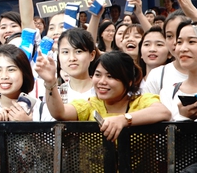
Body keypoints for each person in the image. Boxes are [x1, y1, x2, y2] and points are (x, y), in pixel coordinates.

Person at [35, 50, 171, 142]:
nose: (102, 81)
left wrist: (124, 120)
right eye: (98, 74)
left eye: (110, 76)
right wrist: (50, 82)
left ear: (129, 81)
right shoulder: (90, 105)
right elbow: (60, 112)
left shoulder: (141, 101)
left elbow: (163, 112)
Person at [160, 20, 197, 121]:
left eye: (192, 42)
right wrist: (183, 118)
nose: (183, 48)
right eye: (179, 42)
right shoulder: (168, 92)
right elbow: (165, 135)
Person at [0, 44, 38, 121]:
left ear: (24, 73)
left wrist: (27, 125)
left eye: (11, 69)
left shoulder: (39, 108)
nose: (4, 76)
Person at [55, 28, 98, 105]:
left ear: (92, 55)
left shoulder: (103, 91)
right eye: (65, 52)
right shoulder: (55, 95)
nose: (72, 58)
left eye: (78, 51)